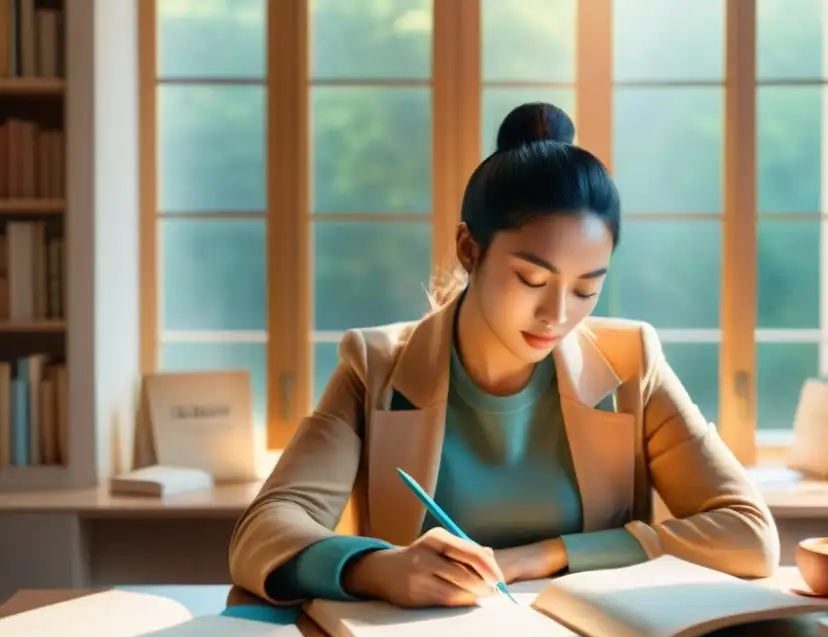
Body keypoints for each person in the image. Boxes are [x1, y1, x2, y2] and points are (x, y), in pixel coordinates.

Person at [229, 102, 780, 608]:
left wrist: (541, 557)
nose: (557, 315)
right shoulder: (375, 367)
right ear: (470, 249)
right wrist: (376, 569)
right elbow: (263, 533)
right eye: (531, 278)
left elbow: (749, 535)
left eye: (586, 289)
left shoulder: (632, 362)